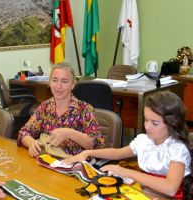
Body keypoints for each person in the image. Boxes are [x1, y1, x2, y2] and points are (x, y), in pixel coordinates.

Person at [63, 91, 191, 199]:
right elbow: (118, 153)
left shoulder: (177, 149)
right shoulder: (145, 141)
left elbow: (170, 188)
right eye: (146, 120)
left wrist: (126, 172)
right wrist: (88, 153)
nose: (147, 126)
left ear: (172, 123)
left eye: (155, 123)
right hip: (146, 192)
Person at [17, 62, 105, 157]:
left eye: (64, 81)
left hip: (73, 165)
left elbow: (97, 146)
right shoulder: (45, 107)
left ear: (73, 84)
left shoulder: (85, 110)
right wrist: (31, 143)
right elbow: (24, 132)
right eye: (55, 80)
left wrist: (69, 133)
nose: (58, 86)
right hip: (49, 162)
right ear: (49, 82)